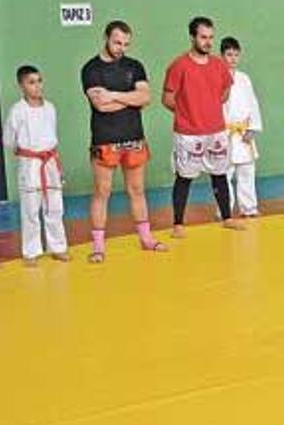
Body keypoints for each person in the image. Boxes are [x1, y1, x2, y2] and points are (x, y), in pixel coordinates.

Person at [81, 20, 167, 263]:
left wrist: (114, 95)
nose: (121, 48)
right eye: (117, 42)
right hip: (105, 139)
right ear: (106, 38)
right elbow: (101, 105)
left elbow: (146, 97)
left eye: (126, 44)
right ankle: (98, 247)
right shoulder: (91, 69)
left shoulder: (134, 66)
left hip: (134, 137)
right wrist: (130, 99)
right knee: (102, 191)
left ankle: (147, 238)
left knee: (137, 190)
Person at [163, 16, 237, 236]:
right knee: (184, 177)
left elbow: (225, 92)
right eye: (203, 37)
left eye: (211, 38)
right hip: (188, 134)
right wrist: (188, 113)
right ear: (193, 37)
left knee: (220, 174)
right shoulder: (179, 66)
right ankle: (178, 224)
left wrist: (209, 108)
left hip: (216, 130)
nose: (208, 42)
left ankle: (227, 217)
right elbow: (167, 98)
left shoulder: (218, 65)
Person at [5, 65, 69, 266]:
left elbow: (52, 134)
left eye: (39, 81)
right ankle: (31, 251)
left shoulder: (50, 107)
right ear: (21, 85)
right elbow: (9, 139)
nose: (37, 86)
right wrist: (25, 152)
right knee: (31, 209)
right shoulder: (17, 110)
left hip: (50, 160)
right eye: (31, 82)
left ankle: (58, 247)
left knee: (55, 206)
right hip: (30, 162)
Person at [220, 37, 264, 218]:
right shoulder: (216, 78)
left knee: (246, 171)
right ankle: (224, 210)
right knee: (224, 174)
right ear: (222, 56)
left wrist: (252, 128)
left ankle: (249, 208)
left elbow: (253, 104)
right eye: (229, 55)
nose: (233, 59)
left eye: (236, 55)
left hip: (243, 132)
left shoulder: (244, 79)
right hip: (224, 132)